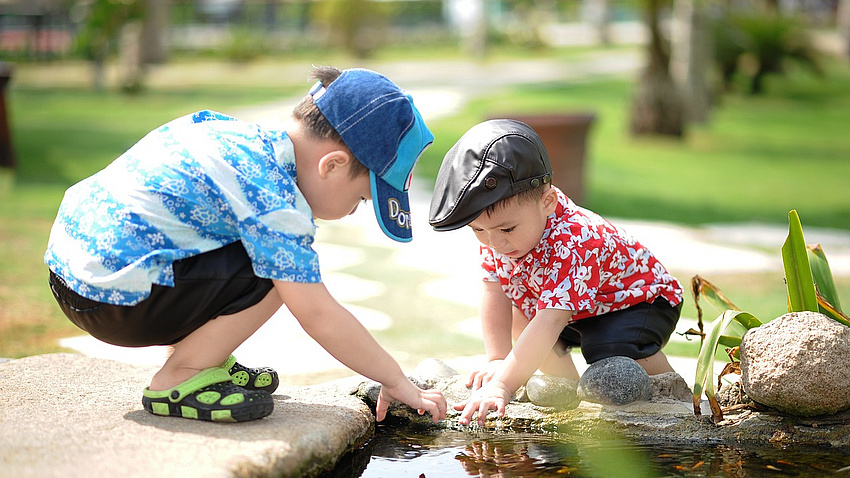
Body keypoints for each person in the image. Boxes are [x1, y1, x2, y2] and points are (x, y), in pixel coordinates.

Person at [44, 66, 447, 424]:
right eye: (361, 200)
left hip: (74, 273)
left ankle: (204, 358)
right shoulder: (274, 199)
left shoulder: (236, 137)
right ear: (333, 165)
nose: (352, 212)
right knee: (281, 273)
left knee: (258, 251)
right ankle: (180, 377)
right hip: (113, 300)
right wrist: (395, 379)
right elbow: (318, 314)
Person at [428, 119, 683, 426]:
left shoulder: (576, 238)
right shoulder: (498, 236)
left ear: (547, 202)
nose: (495, 242)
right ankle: (568, 396)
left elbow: (551, 320)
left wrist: (503, 385)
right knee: (522, 315)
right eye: (478, 230)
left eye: (507, 228)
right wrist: (498, 360)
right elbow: (493, 291)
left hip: (639, 303)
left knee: (608, 348)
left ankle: (672, 394)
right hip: (577, 309)